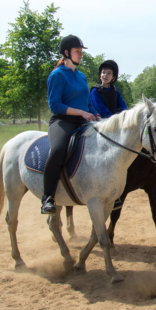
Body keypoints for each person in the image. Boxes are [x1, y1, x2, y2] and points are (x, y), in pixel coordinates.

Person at [42, 35, 100, 215]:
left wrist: (95, 114)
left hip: (84, 120)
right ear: (66, 53)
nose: (81, 54)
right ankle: (48, 197)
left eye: (81, 51)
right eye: (78, 51)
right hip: (63, 121)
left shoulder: (81, 76)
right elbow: (55, 105)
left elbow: (87, 101)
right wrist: (81, 113)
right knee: (58, 150)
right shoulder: (56, 75)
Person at [90, 59, 129, 210]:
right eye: (103, 72)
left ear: (113, 77)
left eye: (108, 73)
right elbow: (101, 109)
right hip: (102, 123)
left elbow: (123, 106)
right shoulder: (95, 91)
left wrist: (123, 117)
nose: (104, 75)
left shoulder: (114, 91)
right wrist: (115, 121)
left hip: (115, 124)